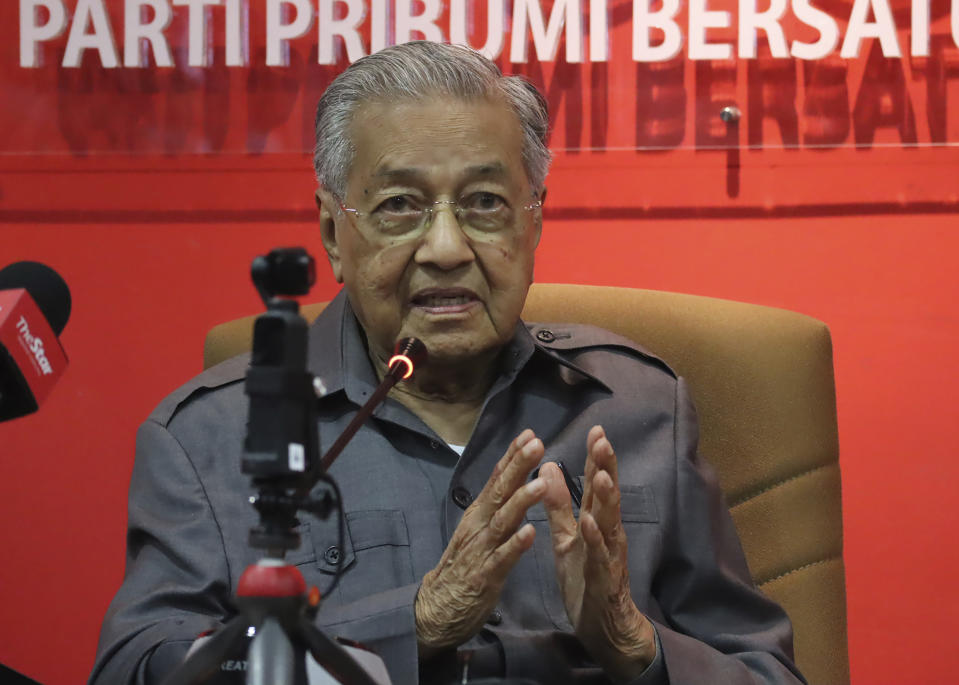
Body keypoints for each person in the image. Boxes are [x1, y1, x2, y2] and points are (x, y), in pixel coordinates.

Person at [90, 41, 806, 685]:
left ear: (534, 221)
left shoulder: (639, 409)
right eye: (400, 205)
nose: (445, 248)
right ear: (333, 232)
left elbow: (765, 671)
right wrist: (413, 626)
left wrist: (633, 643)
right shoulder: (211, 437)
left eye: (485, 203)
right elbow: (138, 669)